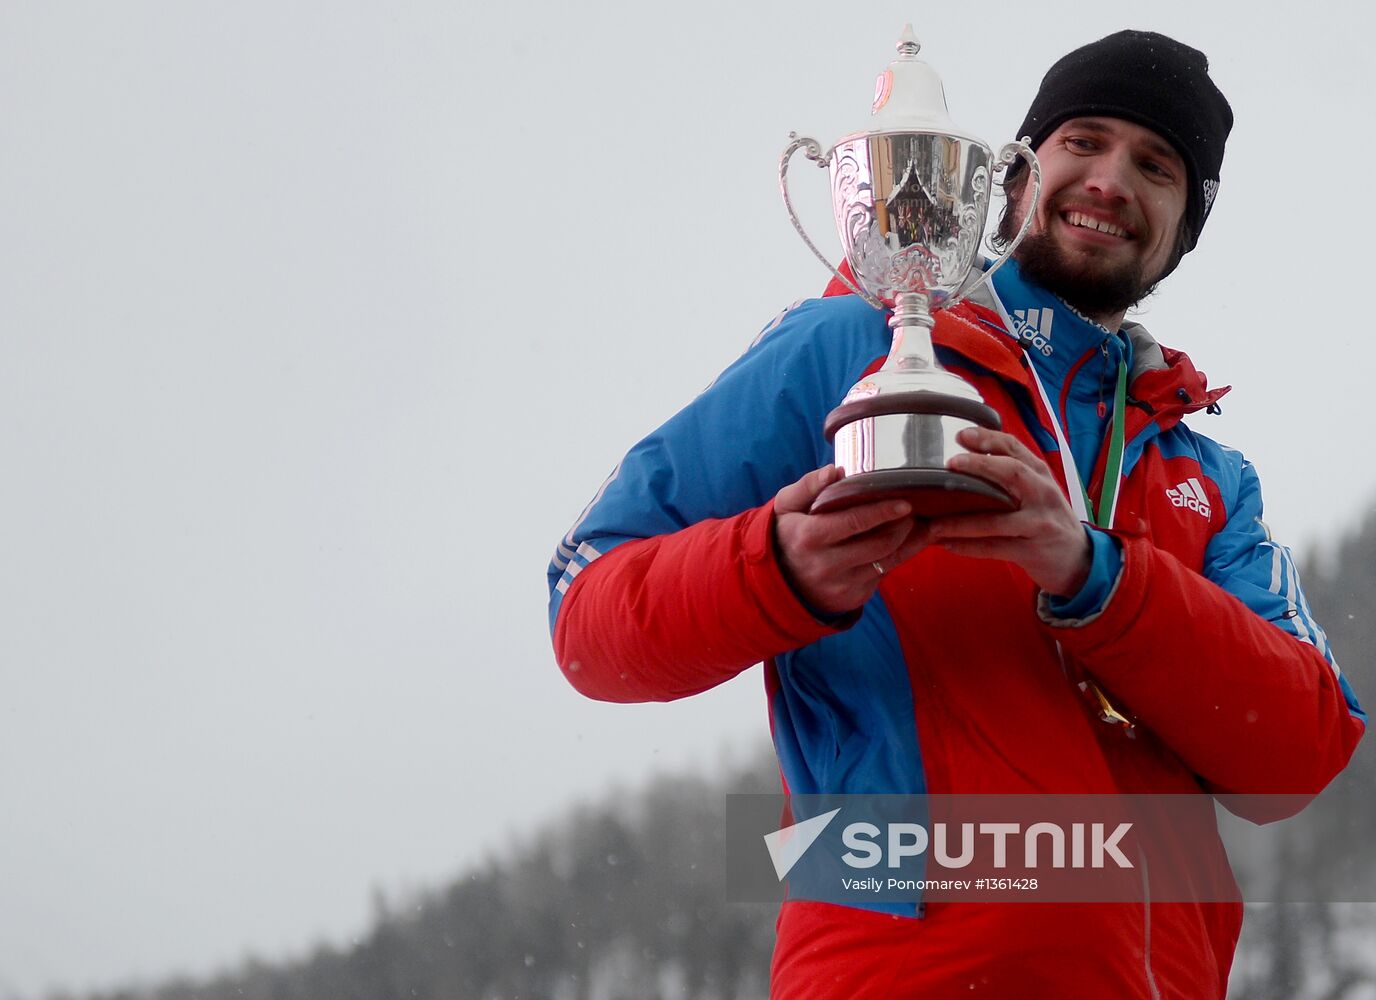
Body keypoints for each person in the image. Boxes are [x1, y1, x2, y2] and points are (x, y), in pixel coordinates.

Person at [546, 30, 1364, 999]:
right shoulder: (850, 342)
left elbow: (1298, 753)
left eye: (1156, 166)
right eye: (1083, 141)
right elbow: (586, 609)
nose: (1110, 179)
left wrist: (1093, 573)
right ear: (1014, 175)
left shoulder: (1203, 474)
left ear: (1183, 225)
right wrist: (774, 567)